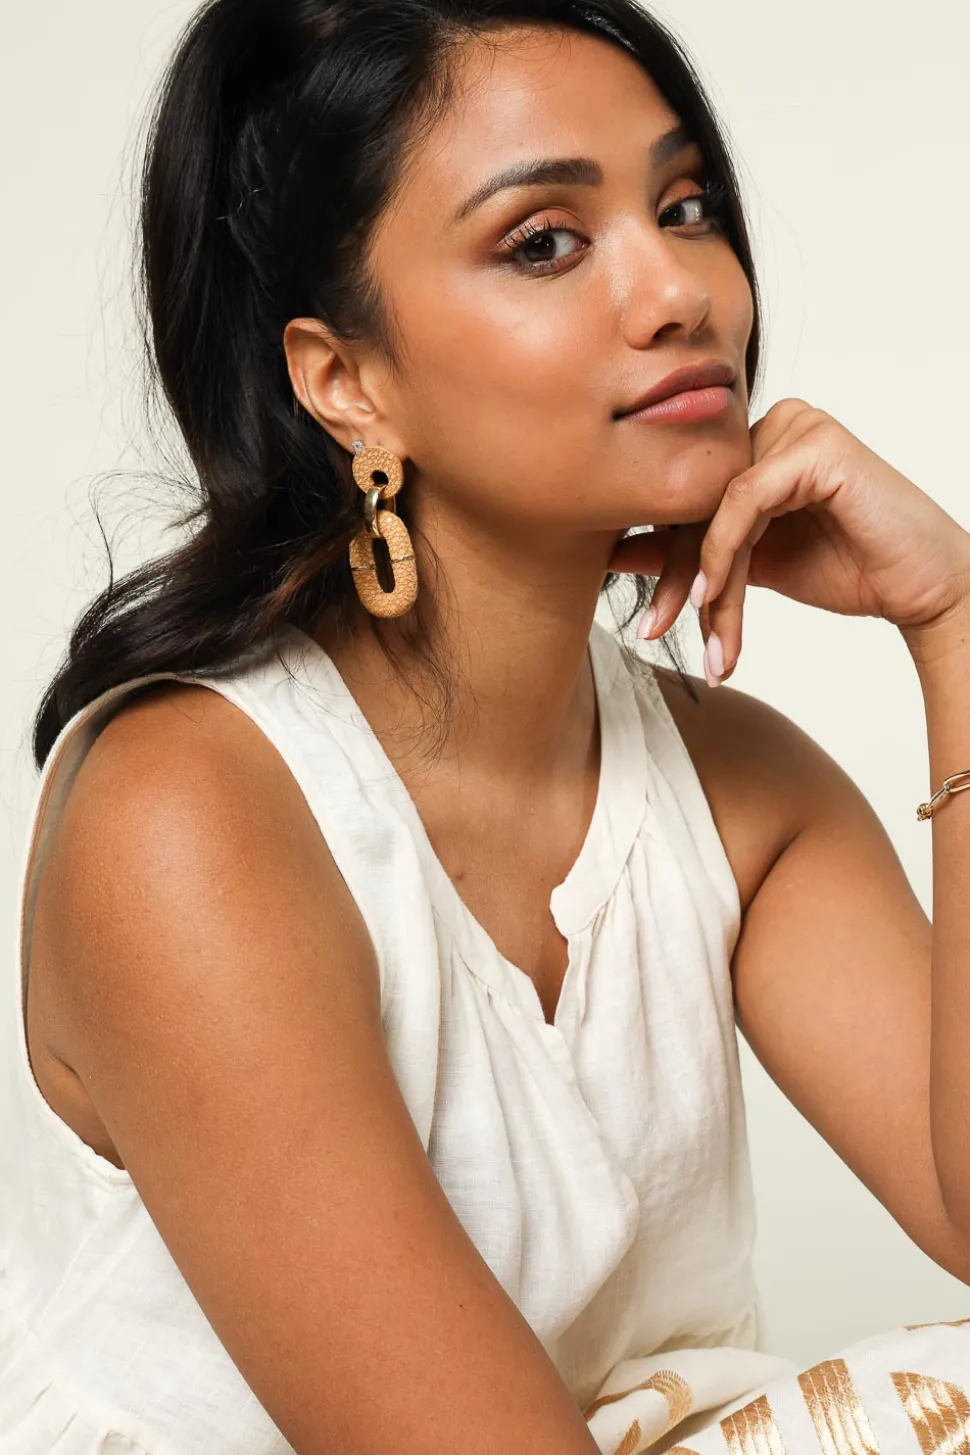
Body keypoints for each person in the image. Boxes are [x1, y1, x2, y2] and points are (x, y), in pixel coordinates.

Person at [3, 0, 970, 1452]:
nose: (677, 291)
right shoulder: (188, 819)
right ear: (345, 381)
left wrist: (954, 620)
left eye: (685, 206)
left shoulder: (737, 788)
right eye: (545, 242)